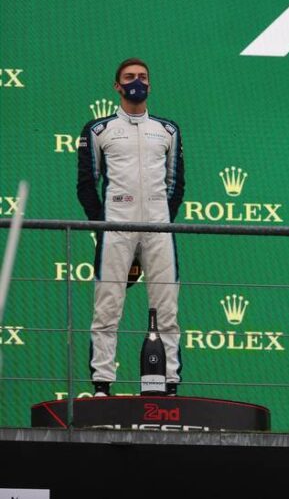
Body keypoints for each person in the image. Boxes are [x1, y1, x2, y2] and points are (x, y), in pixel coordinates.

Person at [77, 58, 185, 396]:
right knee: (107, 307)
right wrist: (104, 226)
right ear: (117, 86)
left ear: (150, 85)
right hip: (116, 228)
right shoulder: (98, 129)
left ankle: (168, 385)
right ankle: (102, 386)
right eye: (129, 77)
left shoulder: (168, 130)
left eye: (142, 77)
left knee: (166, 308)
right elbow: (85, 184)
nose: (136, 82)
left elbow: (176, 183)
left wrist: (161, 220)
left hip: (159, 229)